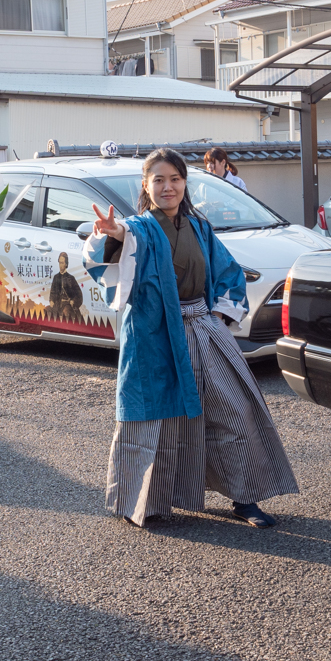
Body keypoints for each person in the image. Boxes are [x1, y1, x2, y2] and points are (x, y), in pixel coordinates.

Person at [83, 148, 297, 528]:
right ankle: (146, 500)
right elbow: (109, 255)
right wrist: (112, 234)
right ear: (146, 186)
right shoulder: (138, 228)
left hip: (203, 326)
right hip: (153, 334)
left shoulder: (200, 228)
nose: (168, 187)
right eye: (159, 180)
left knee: (233, 410)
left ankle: (245, 498)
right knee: (154, 416)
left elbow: (228, 272)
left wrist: (216, 314)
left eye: (175, 179)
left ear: (185, 183)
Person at [49, 251, 84, 321]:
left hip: (67, 304)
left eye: (62, 263)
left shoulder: (71, 278)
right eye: (59, 263)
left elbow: (79, 295)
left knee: (66, 313)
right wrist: (51, 300)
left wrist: (73, 301)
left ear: (66, 264)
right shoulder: (56, 277)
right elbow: (52, 292)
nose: (60, 265)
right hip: (57, 304)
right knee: (46, 311)